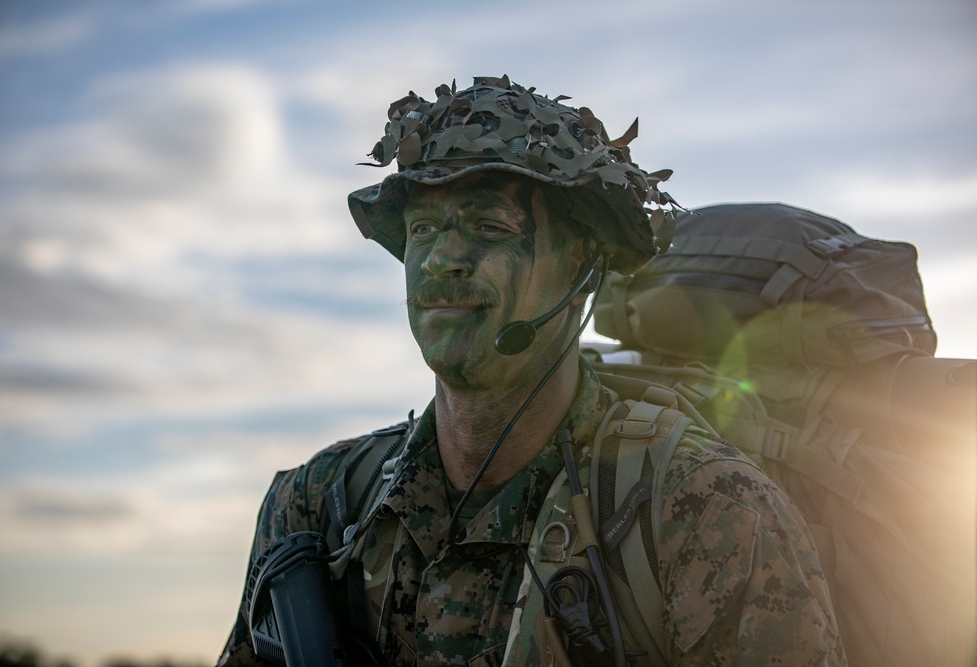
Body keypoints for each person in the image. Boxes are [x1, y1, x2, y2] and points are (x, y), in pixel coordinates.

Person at [218, 76, 846, 667]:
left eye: (490, 227)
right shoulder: (318, 506)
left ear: (583, 271)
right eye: (423, 228)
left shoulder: (702, 509)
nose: (441, 260)